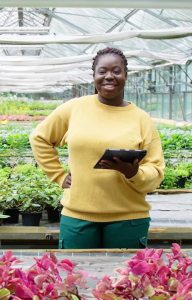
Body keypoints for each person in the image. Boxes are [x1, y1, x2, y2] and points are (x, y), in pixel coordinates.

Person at [29, 47, 165, 249]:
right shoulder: (74, 108)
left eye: (116, 71)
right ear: (93, 76)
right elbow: (39, 137)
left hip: (128, 218)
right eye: (102, 71)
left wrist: (134, 173)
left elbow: (156, 170)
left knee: (125, 279)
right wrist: (58, 175)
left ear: (126, 76)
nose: (109, 76)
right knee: (74, 277)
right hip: (78, 216)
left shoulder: (141, 118)